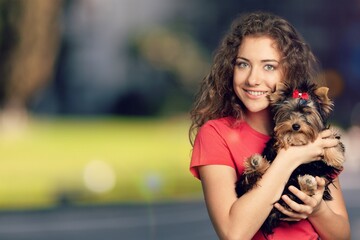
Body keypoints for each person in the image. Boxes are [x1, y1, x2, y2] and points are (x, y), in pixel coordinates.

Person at [189, 11, 350, 240]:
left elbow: (342, 235)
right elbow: (233, 233)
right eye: (243, 64)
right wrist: (290, 158)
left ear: (289, 71)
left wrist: (316, 209)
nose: (253, 79)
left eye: (269, 67)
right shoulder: (216, 135)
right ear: (230, 68)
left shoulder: (312, 133)